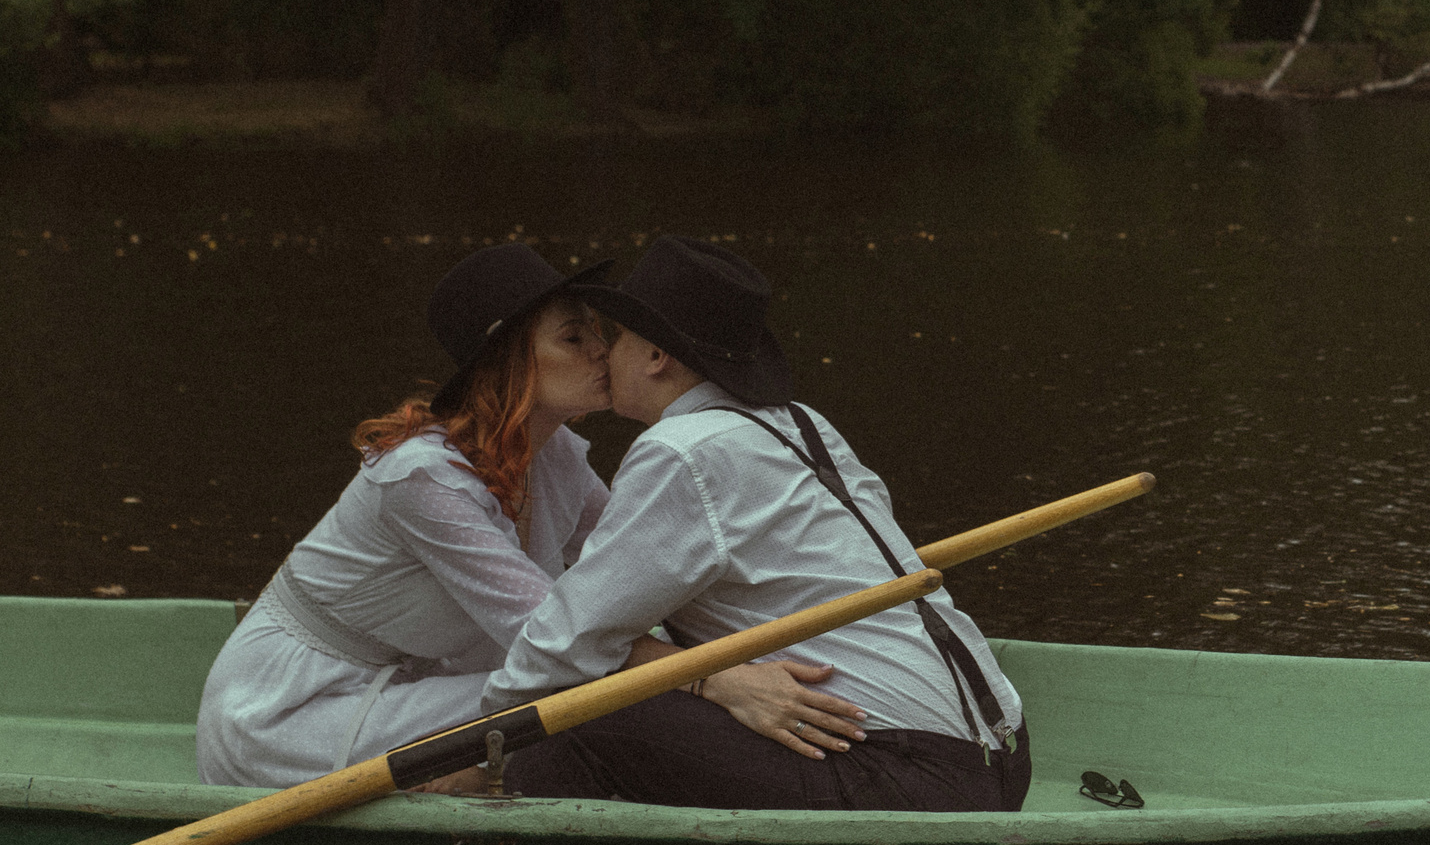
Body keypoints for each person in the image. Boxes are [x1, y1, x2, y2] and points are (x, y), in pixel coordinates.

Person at [195, 245, 849, 788]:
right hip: (291, 710)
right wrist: (713, 678)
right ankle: (470, 789)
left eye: (597, 330)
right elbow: (556, 634)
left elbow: (632, 568)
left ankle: (479, 777)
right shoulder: (423, 477)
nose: (602, 348)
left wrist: (758, 629)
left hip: (413, 687)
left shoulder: (557, 452)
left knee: (590, 693)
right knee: (575, 699)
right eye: (574, 335)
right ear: (510, 360)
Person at [485, 235, 1030, 812]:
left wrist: (479, 749)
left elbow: (564, 645)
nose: (602, 353)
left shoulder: (682, 450)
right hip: (1005, 758)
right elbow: (596, 627)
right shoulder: (800, 422)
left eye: (616, 337)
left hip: (909, 775)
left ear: (654, 357)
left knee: (579, 727)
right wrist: (711, 681)